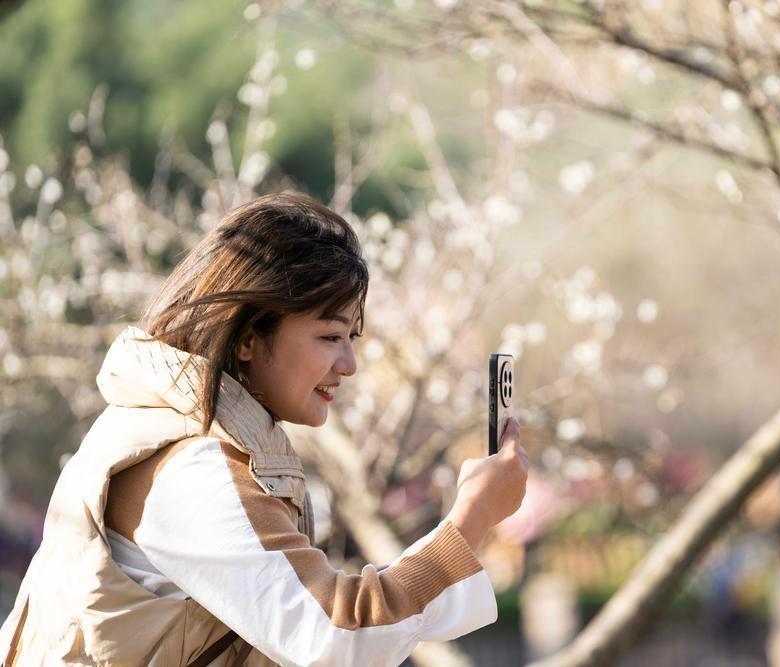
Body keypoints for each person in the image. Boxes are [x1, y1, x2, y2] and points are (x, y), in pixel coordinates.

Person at [0, 192, 529, 666]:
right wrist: (469, 520)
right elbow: (334, 637)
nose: (349, 364)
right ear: (249, 338)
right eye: (329, 336)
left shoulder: (183, 434)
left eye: (352, 337)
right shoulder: (190, 467)